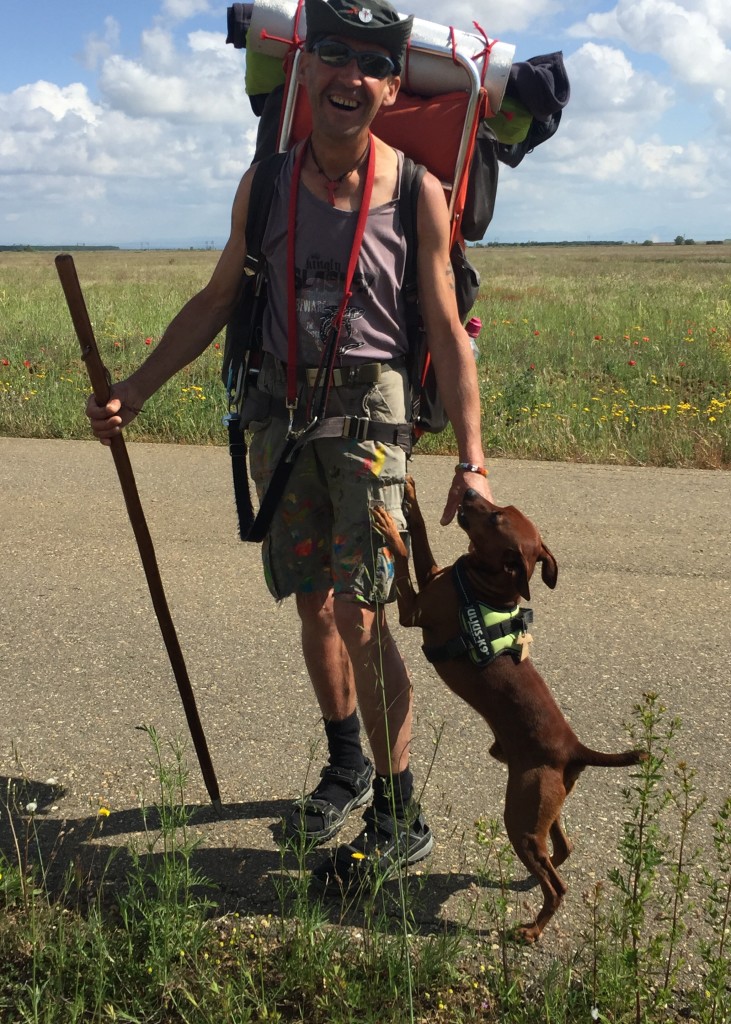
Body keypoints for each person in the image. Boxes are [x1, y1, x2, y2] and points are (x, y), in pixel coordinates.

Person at [86, 0, 493, 887]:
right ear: (306, 73)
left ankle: (401, 810)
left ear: (390, 86)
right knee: (313, 602)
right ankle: (347, 762)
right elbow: (217, 298)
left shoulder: (417, 191)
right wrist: (135, 389)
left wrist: (473, 459)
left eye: (368, 66)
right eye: (333, 57)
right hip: (281, 414)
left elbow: (445, 329)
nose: (348, 78)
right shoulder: (264, 184)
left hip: (372, 425)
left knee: (362, 613)